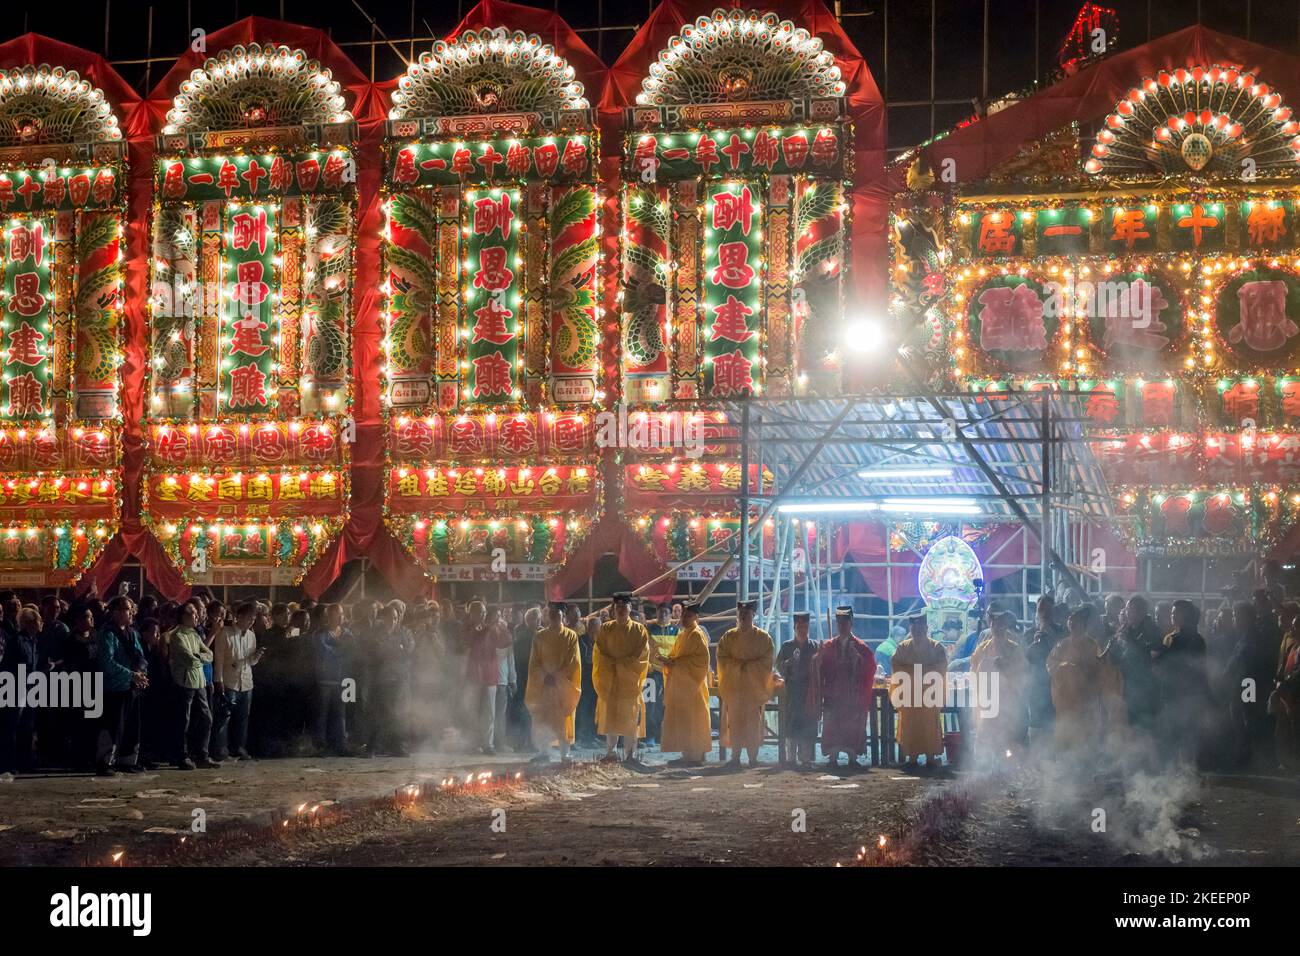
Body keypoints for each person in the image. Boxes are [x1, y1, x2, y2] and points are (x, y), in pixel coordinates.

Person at [1046, 604, 1124, 754]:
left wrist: (1088, 670)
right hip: (1065, 700)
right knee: (1065, 738)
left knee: (1085, 739)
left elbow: (1099, 669)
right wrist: (1068, 666)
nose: (1072, 623)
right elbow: (1050, 665)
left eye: (1077, 620)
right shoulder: (1061, 645)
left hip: (1085, 699)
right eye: (1070, 619)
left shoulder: (1091, 644)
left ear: (1084, 624)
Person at [593, 592, 651, 763]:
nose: (621, 610)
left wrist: (622, 665)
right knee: (610, 717)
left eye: (624, 607)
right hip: (610, 680)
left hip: (629, 682)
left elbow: (642, 656)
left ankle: (630, 755)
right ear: (613, 609)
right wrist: (612, 666)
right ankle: (611, 753)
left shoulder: (639, 630)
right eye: (617, 607)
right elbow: (599, 653)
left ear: (630, 608)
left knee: (630, 718)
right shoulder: (606, 628)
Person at [93, 596, 148, 776]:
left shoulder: (132, 633)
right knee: (113, 727)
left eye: (131, 608)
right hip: (114, 687)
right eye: (126, 608)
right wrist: (131, 674)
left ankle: (127, 760)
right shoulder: (107, 634)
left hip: (132, 686)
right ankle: (105, 761)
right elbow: (107, 662)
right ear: (115, 612)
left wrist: (140, 673)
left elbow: (141, 656)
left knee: (132, 726)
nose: (131, 612)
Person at [816, 606, 876, 768]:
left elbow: (871, 668)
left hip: (851, 695)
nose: (842, 626)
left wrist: (857, 659)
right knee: (833, 725)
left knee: (851, 725)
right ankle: (833, 756)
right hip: (833, 694)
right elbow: (819, 668)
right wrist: (819, 658)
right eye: (840, 623)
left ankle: (852, 756)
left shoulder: (861, 647)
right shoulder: (829, 646)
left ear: (851, 624)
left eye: (845, 623)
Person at [717, 600, 775, 769]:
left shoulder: (763, 638)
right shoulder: (728, 637)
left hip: (753, 688)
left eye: (747, 614)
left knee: (752, 724)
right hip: (735, 687)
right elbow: (722, 658)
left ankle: (752, 758)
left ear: (753, 616)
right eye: (741, 615)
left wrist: (747, 666)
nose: (743, 617)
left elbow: (767, 660)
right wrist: (737, 666)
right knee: (734, 723)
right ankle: (735, 757)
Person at [1152, 599, 1209, 767]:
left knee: (1180, 734)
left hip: (1180, 694)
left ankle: (1184, 771)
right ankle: (1186, 770)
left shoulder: (1180, 639)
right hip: (1187, 693)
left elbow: (1163, 661)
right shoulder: (1197, 638)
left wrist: (1156, 656)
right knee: (1185, 734)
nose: (1172, 616)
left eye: (1175, 613)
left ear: (1184, 615)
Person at [525, 602, 582, 764]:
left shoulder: (571, 636)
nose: (554, 617)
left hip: (562, 687)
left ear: (563, 617)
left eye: (557, 614)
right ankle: (543, 752)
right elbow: (534, 662)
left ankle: (565, 754)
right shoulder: (539, 636)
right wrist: (544, 676)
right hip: (543, 685)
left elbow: (573, 662)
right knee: (542, 717)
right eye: (551, 614)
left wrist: (557, 677)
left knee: (562, 720)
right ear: (547, 616)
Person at [890, 612, 947, 770]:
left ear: (926, 629)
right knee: (910, 725)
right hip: (910, 694)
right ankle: (912, 757)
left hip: (929, 694)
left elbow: (941, 666)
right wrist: (915, 671)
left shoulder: (936, 647)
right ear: (911, 629)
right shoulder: (903, 647)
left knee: (929, 725)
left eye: (920, 629)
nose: (917, 632)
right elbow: (896, 664)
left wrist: (918, 671)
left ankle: (930, 757)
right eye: (914, 629)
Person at [660, 602, 713, 766]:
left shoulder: (697, 634)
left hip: (694, 684)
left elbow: (702, 661)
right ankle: (687, 754)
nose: (684, 618)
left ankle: (696, 755)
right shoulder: (683, 634)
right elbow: (676, 655)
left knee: (694, 719)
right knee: (684, 719)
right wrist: (669, 660)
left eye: (688, 616)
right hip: (682, 684)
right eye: (683, 615)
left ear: (696, 617)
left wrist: (676, 663)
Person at [167, 602, 218, 770]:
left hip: (200, 682)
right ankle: (182, 755)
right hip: (185, 683)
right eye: (193, 613)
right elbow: (189, 659)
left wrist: (199, 657)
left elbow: (209, 654)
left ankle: (201, 754)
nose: (197, 616)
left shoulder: (195, 634)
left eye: (197, 613)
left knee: (206, 719)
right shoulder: (177, 636)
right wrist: (200, 658)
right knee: (183, 722)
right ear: (183, 616)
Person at [971, 610, 1027, 759]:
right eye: (994, 624)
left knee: (1006, 731)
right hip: (988, 698)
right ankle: (987, 762)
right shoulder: (982, 648)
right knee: (986, 731)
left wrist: (1006, 666)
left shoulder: (1014, 648)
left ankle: (1005, 762)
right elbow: (974, 670)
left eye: (1001, 624)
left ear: (1006, 626)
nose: (998, 627)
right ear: (990, 625)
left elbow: (1021, 671)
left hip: (1006, 698)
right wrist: (984, 667)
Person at [213, 600, 264, 761]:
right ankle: (221, 749)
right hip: (229, 680)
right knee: (225, 717)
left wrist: (256, 657)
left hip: (246, 681)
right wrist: (218, 681)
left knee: (243, 718)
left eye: (253, 619)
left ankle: (239, 747)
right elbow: (219, 659)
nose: (251, 621)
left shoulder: (251, 635)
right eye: (249, 618)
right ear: (239, 617)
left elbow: (250, 661)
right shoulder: (225, 633)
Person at [461, 601, 513, 755]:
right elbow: (465, 642)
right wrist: (477, 630)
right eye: (480, 612)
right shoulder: (465, 628)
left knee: (489, 712)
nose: (483, 615)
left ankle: (487, 744)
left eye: (484, 612)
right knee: (473, 712)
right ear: (472, 614)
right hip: (474, 676)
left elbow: (506, 643)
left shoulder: (492, 629)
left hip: (490, 675)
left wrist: (503, 628)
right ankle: (473, 744)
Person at [365, 602, 413, 757]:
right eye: (390, 617)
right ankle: (373, 746)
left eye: (395, 617)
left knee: (398, 714)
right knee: (379, 713)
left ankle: (397, 745)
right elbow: (378, 651)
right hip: (381, 679)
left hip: (399, 678)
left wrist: (397, 650)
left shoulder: (404, 632)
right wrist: (396, 649)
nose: (393, 621)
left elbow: (409, 650)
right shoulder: (375, 632)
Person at [775, 611, 820, 767]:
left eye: (805, 626)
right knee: (792, 723)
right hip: (792, 692)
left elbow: (820, 667)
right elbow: (779, 666)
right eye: (799, 626)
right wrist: (789, 662)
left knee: (807, 723)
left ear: (808, 628)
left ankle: (806, 758)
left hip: (809, 692)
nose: (802, 629)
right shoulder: (787, 646)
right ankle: (791, 757)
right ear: (794, 627)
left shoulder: (815, 646)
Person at [0, 606, 40, 774]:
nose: (40, 623)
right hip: (16, 688)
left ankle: (24, 762)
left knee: (26, 727)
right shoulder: (17, 641)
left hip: (29, 688)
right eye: (37, 620)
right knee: (12, 728)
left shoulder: (33, 641)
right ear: (28, 623)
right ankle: (7, 764)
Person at [1024, 595, 1064, 745]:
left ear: (1054, 611)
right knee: (1036, 725)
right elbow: (1022, 659)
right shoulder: (1029, 633)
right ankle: (1037, 761)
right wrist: (1032, 647)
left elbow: (1066, 652)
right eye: (1041, 609)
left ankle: (1056, 760)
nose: (1045, 613)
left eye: (1048, 609)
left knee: (1056, 725)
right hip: (1036, 687)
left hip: (1058, 686)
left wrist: (1051, 637)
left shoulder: (1062, 631)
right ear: (1036, 611)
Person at [313, 603, 352, 756]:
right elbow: (324, 652)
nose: (341, 617)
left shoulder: (347, 633)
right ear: (330, 616)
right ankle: (320, 746)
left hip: (344, 679)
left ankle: (340, 745)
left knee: (341, 714)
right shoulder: (320, 633)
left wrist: (338, 649)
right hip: (325, 680)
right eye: (338, 614)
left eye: (342, 614)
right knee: (322, 714)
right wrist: (341, 650)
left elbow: (352, 650)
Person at [645, 603, 678, 746]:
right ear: (656, 614)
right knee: (651, 704)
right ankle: (650, 735)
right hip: (652, 673)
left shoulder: (676, 631)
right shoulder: (649, 630)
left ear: (671, 615)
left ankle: (664, 735)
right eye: (660, 612)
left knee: (669, 704)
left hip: (671, 673)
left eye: (666, 612)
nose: (663, 615)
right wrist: (650, 667)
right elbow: (645, 651)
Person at [575, 612, 599, 746]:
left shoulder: (599, 641)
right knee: (584, 708)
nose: (596, 631)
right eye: (594, 628)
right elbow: (584, 659)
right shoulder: (581, 640)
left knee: (593, 708)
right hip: (584, 680)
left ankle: (591, 735)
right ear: (588, 628)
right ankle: (583, 736)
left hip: (595, 680)